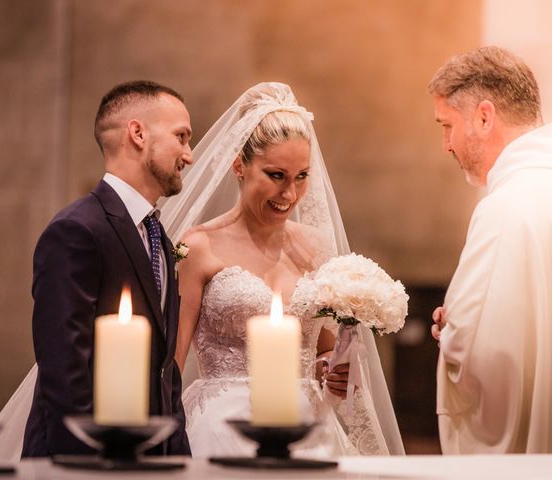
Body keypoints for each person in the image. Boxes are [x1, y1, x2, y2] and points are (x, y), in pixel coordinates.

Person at [157, 82, 405, 457]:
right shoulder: (199, 247)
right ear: (239, 166)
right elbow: (172, 362)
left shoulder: (315, 247)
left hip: (307, 425)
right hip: (224, 426)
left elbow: (322, 348)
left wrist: (331, 370)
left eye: (301, 177)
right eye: (276, 176)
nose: (289, 194)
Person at [0, 80, 193, 462]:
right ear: (137, 134)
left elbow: (163, 369)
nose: (188, 155)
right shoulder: (78, 229)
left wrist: (178, 454)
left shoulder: (159, 238)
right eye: (181, 137)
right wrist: (87, 462)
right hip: (83, 458)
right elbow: (64, 365)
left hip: (151, 458)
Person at [429, 46, 552, 453]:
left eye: (447, 125)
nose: (447, 145)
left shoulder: (504, 209)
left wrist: (450, 332)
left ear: (484, 116)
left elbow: (476, 350)